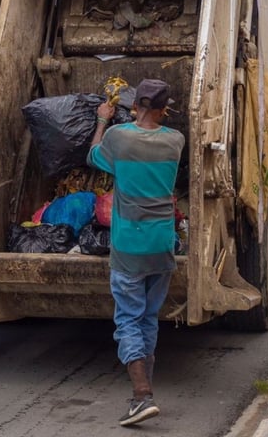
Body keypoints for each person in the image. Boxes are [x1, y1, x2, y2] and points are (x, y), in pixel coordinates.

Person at [88, 78, 185, 427]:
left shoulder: (119, 137)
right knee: (147, 317)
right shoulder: (176, 141)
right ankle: (146, 392)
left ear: (134, 106)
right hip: (162, 243)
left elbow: (94, 156)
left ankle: (141, 395)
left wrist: (102, 119)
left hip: (129, 244)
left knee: (128, 318)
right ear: (163, 110)